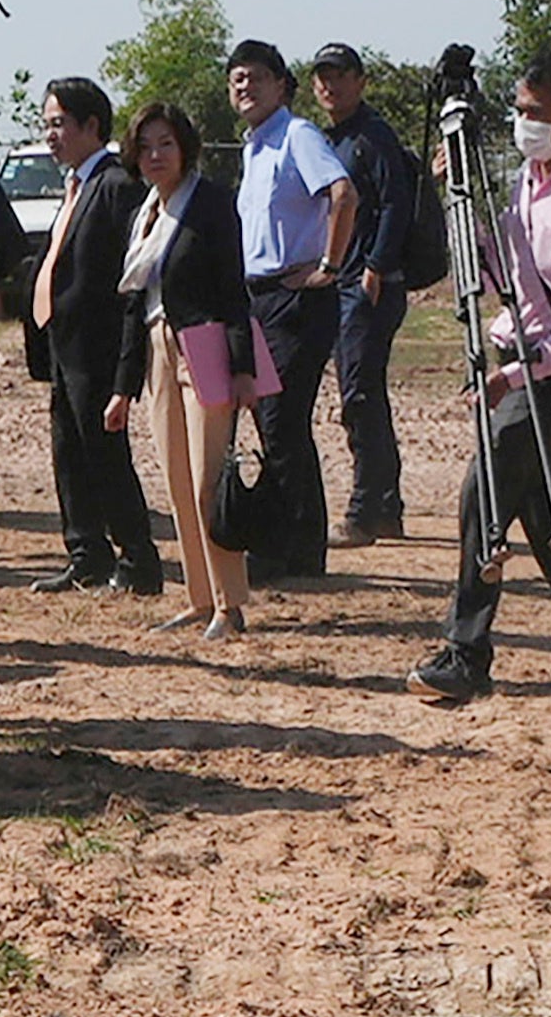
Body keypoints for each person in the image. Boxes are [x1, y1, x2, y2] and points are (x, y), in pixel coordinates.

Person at [413, 53, 551, 701]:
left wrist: (517, 374)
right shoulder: (523, 186)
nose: (523, 124)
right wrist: (462, 211)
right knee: (544, 510)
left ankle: (465, 651)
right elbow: (499, 276)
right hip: (517, 357)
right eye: (517, 111)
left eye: (535, 113)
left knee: (482, 493)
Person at [123, 99, 260, 642]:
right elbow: (136, 298)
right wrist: (122, 383)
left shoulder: (210, 204)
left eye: (166, 144)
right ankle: (198, 599)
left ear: (185, 149)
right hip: (159, 345)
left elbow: (232, 289)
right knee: (177, 480)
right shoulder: (146, 212)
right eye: (146, 146)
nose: (156, 155)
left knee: (208, 481)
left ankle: (231, 604)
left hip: (205, 344)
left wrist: (243, 368)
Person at [19, 76, 160, 597]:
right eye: (47, 124)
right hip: (64, 344)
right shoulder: (78, 184)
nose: (51, 135)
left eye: (59, 124)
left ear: (91, 126)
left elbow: (130, 277)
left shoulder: (117, 185)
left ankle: (137, 559)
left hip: (98, 345)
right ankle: (86, 553)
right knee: (69, 449)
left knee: (103, 452)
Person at [220, 41, 351, 580]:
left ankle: (296, 548)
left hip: (297, 298)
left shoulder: (298, 135)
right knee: (271, 421)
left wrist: (329, 264)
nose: (244, 87)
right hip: (256, 299)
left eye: (254, 77)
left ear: (281, 85)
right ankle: (288, 539)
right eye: (235, 79)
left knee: (282, 421)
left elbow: (343, 193)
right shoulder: (253, 148)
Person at [308, 46, 427, 543]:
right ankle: (385, 507)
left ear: (360, 82)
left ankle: (363, 512)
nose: (330, 87)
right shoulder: (328, 139)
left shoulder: (372, 136)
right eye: (323, 78)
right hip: (343, 280)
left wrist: (377, 265)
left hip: (369, 283)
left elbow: (396, 203)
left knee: (358, 395)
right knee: (366, 394)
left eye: (340, 77)